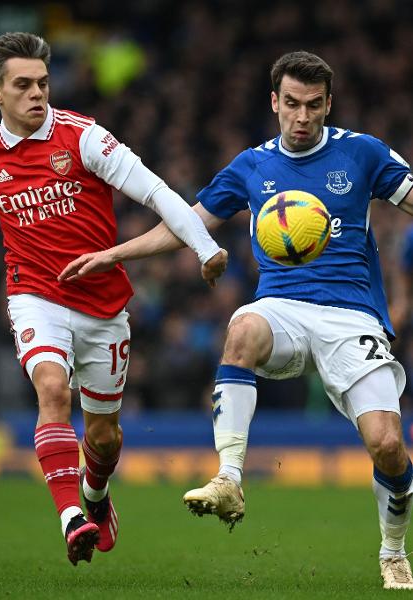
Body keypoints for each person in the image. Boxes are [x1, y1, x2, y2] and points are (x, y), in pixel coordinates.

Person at [60, 51, 413, 589]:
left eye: (313, 106)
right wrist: (114, 254)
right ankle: (228, 478)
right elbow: (186, 224)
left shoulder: (361, 153)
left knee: (388, 445)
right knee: (242, 328)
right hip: (282, 308)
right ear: (274, 102)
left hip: (352, 315)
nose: (301, 116)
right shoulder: (252, 165)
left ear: (328, 105)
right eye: (291, 104)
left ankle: (392, 550)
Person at [0, 31, 227, 566]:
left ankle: (96, 496)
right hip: (33, 295)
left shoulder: (84, 139)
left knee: (103, 438)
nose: (37, 93)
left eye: (43, 82)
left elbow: (156, 193)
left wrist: (204, 247)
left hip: (104, 309)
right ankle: (71, 520)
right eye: (23, 85)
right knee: (52, 390)